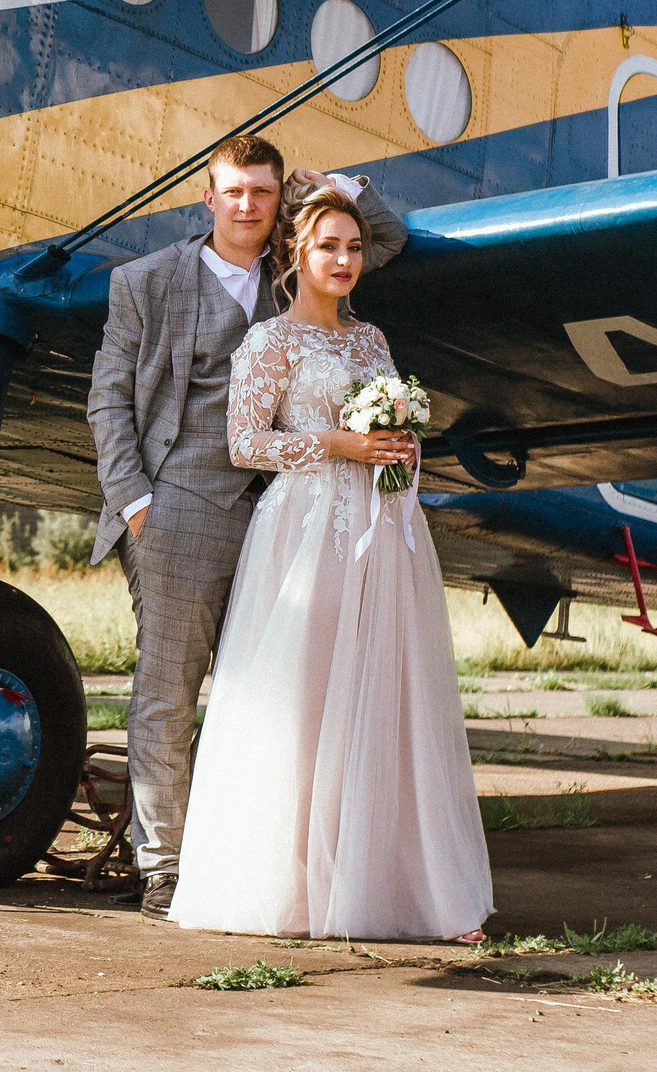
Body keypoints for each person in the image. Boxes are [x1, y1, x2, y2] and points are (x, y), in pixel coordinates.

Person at [85, 134, 406, 922]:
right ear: (208, 195)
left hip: (283, 515)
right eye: (233, 191)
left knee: (271, 695)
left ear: (277, 202)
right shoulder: (147, 280)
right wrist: (134, 502)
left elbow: (385, 235)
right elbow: (108, 399)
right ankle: (162, 866)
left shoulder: (297, 273)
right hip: (181, 505)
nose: (248, 206)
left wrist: (334, 182)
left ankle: (253, 859)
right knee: (167, 694)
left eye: (263, 193)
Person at [171, 182, 492, 940]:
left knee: (378, 697)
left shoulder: (371, 341)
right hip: (304, 531)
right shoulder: (269, 342)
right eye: (328, 245)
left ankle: (389, 883)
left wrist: (395, 453)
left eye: (353, 247)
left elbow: (386, 430)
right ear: (296, 254)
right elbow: (245, 444)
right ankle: (291, 887)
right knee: (304, 698)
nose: (344, 258)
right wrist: (341, 444)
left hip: (377, 529)